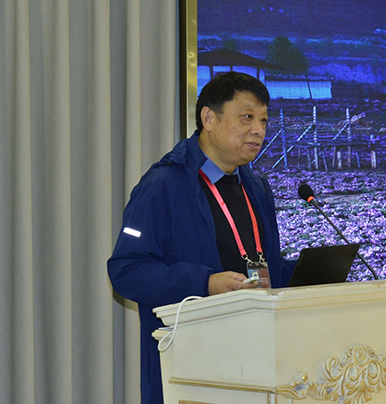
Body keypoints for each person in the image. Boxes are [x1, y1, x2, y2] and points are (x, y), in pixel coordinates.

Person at [107, 72, 296, 404]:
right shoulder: (163, 185)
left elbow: (255, 263)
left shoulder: (255, 186)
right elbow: (126, 270)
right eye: (247, 117)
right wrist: (205, 283)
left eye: (264, 120)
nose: (258, 130)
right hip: (193, 366)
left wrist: (307, 274)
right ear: (209, 118)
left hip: (258, 357)